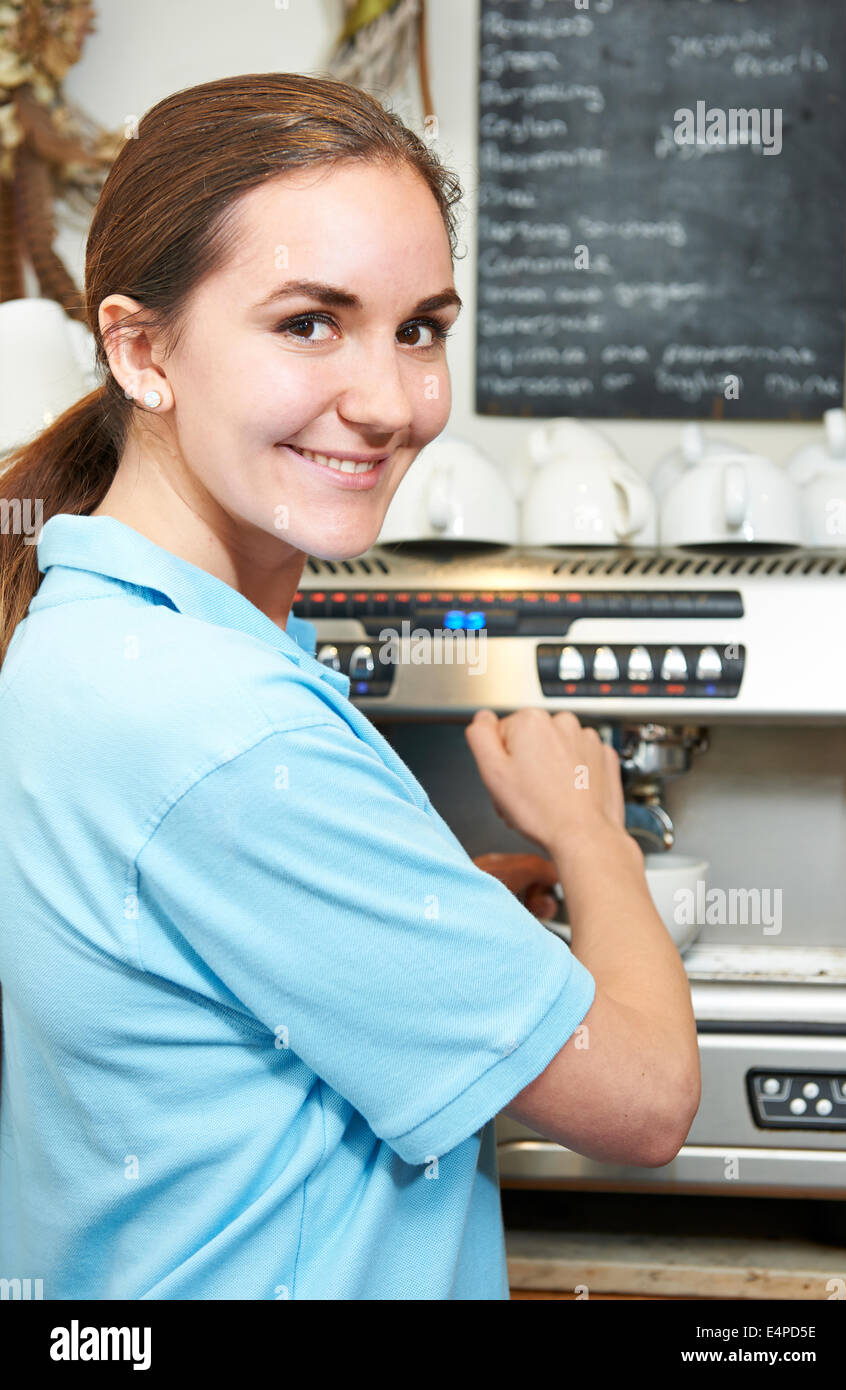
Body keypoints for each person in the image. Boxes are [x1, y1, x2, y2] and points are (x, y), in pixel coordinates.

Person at [0, 72, 700, 1301]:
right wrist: (596, 836)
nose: (387, 403)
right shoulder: (218, 727)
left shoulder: (84, 636)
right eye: (308, 324)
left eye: (418, 327)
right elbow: (640, 1098)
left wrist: (438, 896)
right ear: (139, 348)